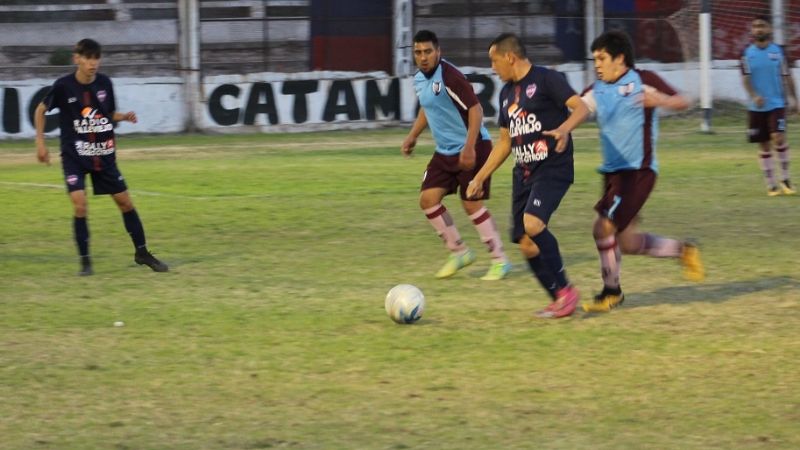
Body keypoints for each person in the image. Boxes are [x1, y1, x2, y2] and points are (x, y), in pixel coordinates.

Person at [579, 30, 704, 313]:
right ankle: (684, 250)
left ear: (619, 58)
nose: (596, 64)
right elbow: (574, 108)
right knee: (629, 242)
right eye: (594, 59)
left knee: (603, 228)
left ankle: (611, 293)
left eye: (601, 58)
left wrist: (660, 101)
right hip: (612, 174)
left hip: (639, 171)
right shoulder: (597, 87)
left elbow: (685, 100)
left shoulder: (643, 80)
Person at [467, 33, 589, 319]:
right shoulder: (506, 93)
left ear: (510, 57)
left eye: (494, 61)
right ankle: (559, 298)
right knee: (524, 241)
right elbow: (505, 143)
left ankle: (567, 290)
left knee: (533, 224)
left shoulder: (547, 79)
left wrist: (565, 128)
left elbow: (581, 107)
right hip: (523, 173)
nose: (493, 68)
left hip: (552, 168)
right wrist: (480, 177)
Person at [34, 38, 168, 276]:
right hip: (75, 156)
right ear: (77, 58)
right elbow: (40, 110)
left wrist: (123, 116)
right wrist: (40, 143)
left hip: (103, 155)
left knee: (125, 202)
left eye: (96, 58)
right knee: (80, 205)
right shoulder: (64, 86)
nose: (92, 63)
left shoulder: (105, 83)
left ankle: (142, 252)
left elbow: (106, 114)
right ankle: (85, 262)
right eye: (87, 58)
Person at [402, 30, 512, 281]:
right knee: (428, 200)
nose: (423, 57)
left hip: (472, 147)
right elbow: (427, 108)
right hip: (445, 152)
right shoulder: (419, 79)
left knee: (470, 202)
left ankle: (500, 260)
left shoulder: (451, 77)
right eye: (418, 52)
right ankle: (459, 252)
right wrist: (413, 136)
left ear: (438, 51)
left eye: (428, 51)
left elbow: (476, 110)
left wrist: (470, 147)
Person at [741, 15, 798, 196]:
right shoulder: (746, 53)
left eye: (762, 26)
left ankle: (786, 179)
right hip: (756, 107)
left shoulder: (778, 52)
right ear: (752, 31)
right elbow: (745, 78)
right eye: (755, 26)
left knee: (778, 138)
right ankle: (771, 184)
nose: (758, 29)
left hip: (776, 104)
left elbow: (787, 76)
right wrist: (754, 95)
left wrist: (794, 99)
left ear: (770, 29)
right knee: (764, 145)